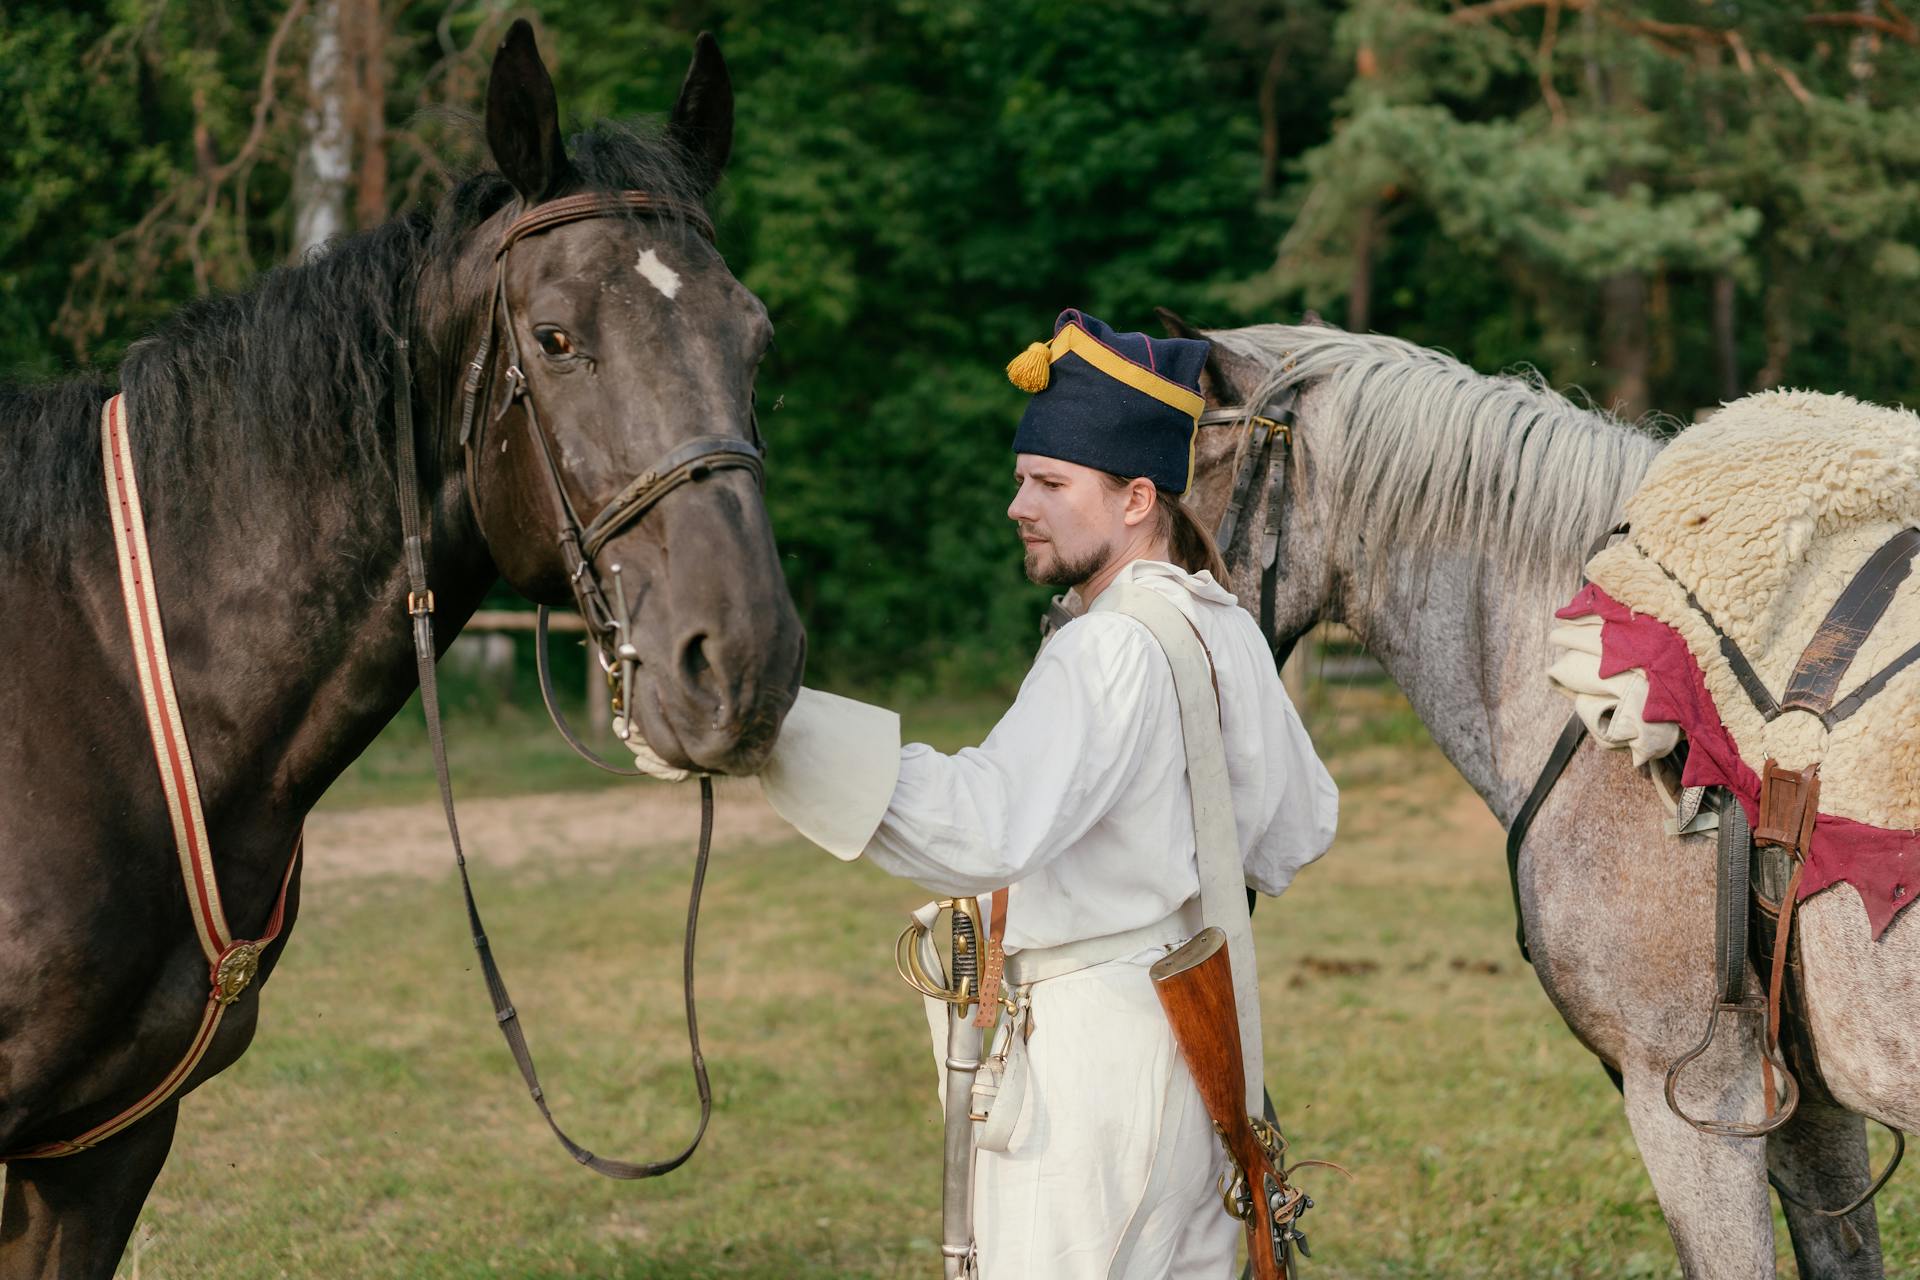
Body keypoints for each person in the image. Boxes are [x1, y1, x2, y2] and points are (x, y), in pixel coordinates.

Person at [726, 309, 1337, 1278]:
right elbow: (1302, 826)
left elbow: (982, 823)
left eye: (1050, 482)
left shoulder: (1108, 647)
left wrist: (771, 730)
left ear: (1138, 496)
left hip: (1092, 1070)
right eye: (1022, 478)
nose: (1019, 502)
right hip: (1201, 1053)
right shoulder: (1220, 626)